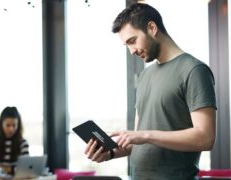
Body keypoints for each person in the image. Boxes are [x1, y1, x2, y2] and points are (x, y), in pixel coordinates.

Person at [85, 3, 217, 180]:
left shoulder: (194, 70)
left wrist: (146, 135)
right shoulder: (145, 76)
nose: (131, 51)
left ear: (152, 28)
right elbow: (140, 142)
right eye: (126, 45)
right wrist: (109, 153)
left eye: (132, 41)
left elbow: (205, 138)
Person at [0, 106, 29, 175]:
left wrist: (1, 167)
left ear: (18, 125)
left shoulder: (23, 143)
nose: (11, 129)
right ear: (1, 124)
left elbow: (25, 168)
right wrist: (13, 169)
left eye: (14, 125)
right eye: (8, 125)